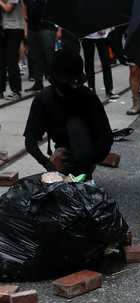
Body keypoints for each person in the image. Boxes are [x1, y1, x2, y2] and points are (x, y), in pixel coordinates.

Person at [23, 49, 112, 177]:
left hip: (86, 149)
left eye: (74, 84)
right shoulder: (44, 99)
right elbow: (30, 141)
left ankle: (81, 168)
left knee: (75, 127)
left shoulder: (88, 97)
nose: (72, 88)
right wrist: (49, 165)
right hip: (61, 152)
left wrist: (89, 159)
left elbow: (106, 138)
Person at [23, 0, 55, 92]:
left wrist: (59, 29)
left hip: (47, 27)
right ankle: (38, 82)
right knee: (35, 56)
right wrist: (26, 22)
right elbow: (24, 4)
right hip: (32, 28)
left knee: (49, 56)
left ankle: (55, 82)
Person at [81, 28, 117, 100]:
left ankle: (109, 90)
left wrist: (108, 30)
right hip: (87, 37)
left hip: (102, 37)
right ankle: (91, 88)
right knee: (89, 64)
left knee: (106, 63)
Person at [0, 0, 24, 100]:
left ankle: (16, 91)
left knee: (11, 61)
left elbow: (7, 8)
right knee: (1, 61)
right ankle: (0, 91)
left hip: (14, 29)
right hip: (3, 29)